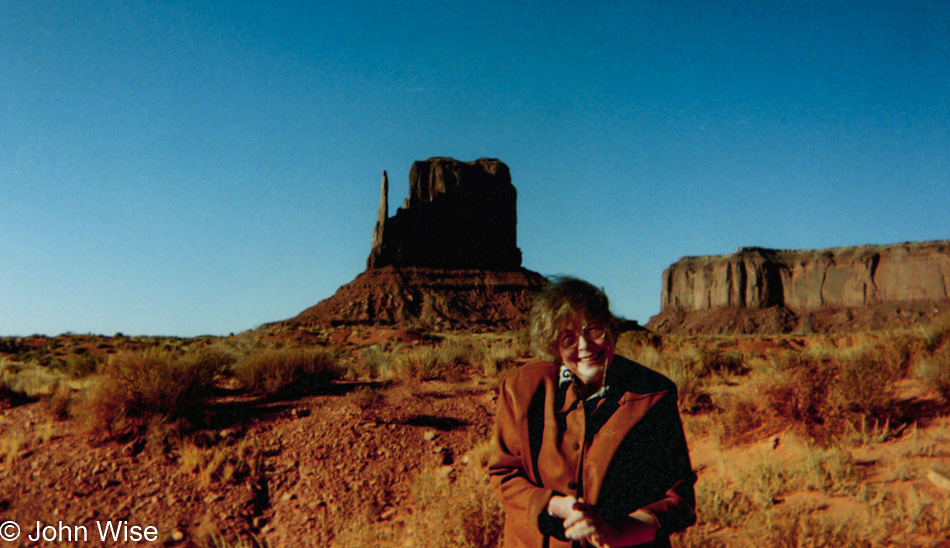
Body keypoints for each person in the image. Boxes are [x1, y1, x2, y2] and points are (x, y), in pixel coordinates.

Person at [489, 277, 696, 547]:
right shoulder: (521, 389)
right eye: (568, 338)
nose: (584, 346)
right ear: (554, 344)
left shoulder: (654, 394)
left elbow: (679, 501)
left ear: (611, 329)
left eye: (594, 330)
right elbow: (504, 473)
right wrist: (551, 505)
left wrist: (616, 532)